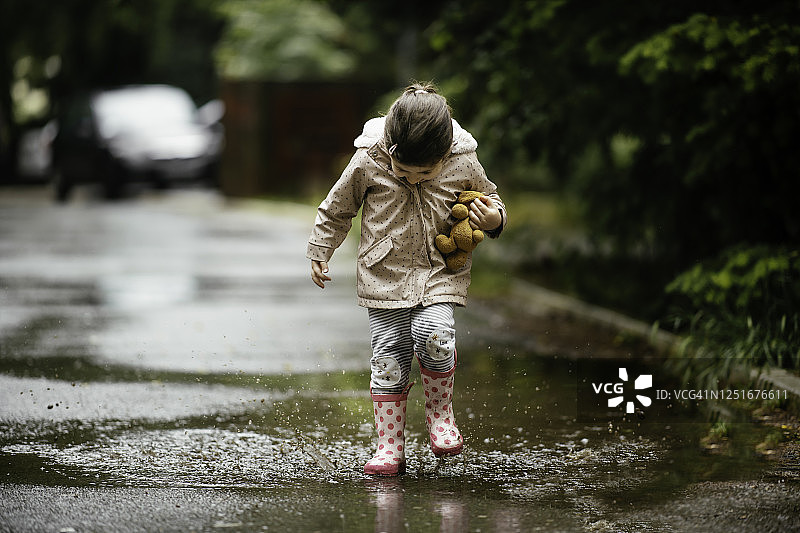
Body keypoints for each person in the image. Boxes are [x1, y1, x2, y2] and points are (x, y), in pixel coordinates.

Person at [307, 83, 507, 476]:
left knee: (434, 333)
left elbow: (491, 198)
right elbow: (337, 209)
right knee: (388, 357)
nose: (413, 179)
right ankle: (389, 447)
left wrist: (494, 219)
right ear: (390, 150)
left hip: (439, 271)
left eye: (426, 172)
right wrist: (319, 250)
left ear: (445, 154)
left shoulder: (464, 160)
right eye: (404, 171)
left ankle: (440, 416)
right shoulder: (368, 160)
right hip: (384, 274)